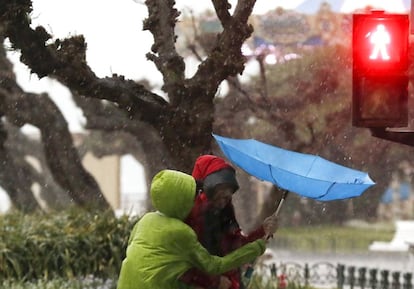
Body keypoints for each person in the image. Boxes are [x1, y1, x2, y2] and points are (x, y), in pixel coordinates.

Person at [116, 169, 267, 289]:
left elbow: (154, 266)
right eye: (193, 196)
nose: (196, 200)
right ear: (181, 201)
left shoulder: (146, 220)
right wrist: (256, 248)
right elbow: (214, 266)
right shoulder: (181, 232)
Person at [179, 155, 279, 289]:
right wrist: (214, 281)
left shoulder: (225, 210)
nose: (223, 201)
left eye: (227, 195)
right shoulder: (191, 214)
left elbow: (235, 245)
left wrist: (263, 231)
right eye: (219, 194)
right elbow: (181, 263)